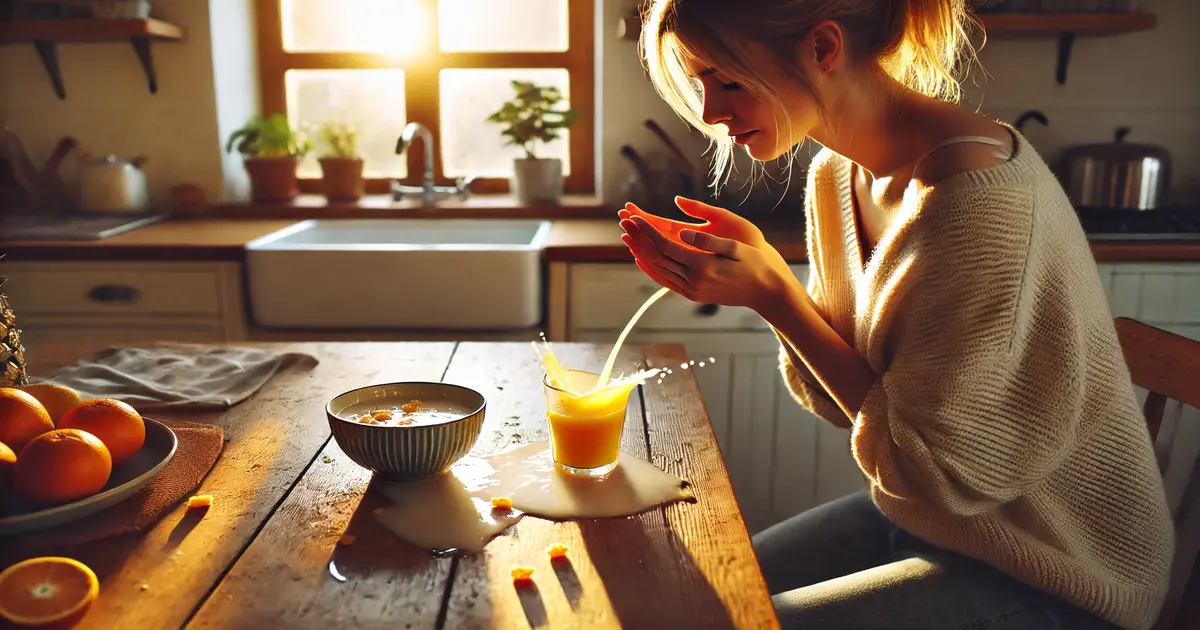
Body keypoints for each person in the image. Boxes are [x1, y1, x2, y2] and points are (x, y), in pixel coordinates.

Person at [617, 1, 1176, 629]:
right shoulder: (838, 174)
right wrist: (766, 281)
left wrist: (776, 296)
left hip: (1060, 573)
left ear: (823, 49)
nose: (711, 113)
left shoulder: (978, 199)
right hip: (939, 524)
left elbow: (929, 469)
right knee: (688, 601)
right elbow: (834, 401)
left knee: (728, 622)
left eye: (728, 79)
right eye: (699, 84)